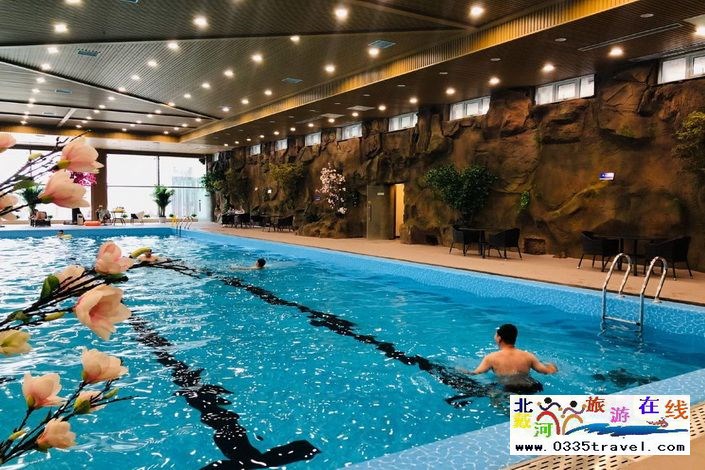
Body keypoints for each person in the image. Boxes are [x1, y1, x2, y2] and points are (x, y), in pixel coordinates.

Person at [464, 324, 557, 393]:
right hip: (529, 386)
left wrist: (462, 372)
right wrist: (552, 366)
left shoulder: (491, 357)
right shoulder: (528, 356)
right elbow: (546, 371)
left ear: (499, 338)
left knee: (495, 400)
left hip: (507, 388)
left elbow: (476, 373)